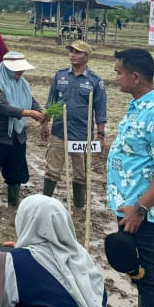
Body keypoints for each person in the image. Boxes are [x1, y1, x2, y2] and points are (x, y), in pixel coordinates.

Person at [107, 48, 154, 307]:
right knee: (137, 270)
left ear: (135, 77)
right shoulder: (138, 108)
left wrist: (140, 209)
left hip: (141, 212)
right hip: (129, 207)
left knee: (145, 272)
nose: (116, 78)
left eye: (119, 73)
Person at [41, 39, 107, 208]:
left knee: (80, 172)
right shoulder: (60, 75)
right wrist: (44, 123)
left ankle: (79, 207)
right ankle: (43, 203)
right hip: (59, 131)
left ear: (87, 56)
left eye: (77, 52)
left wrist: (100, 134)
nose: (72, 55)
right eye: (71, 51)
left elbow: (100, 110)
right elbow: (50, 103)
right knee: (52, 170)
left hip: (81, 135)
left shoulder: (95, 81)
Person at [0, 52, 46, 207]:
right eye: (17, 69)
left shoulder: (23, 84)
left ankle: (13, 204)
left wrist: (41, 114)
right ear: (6, 68)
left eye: (22, 69)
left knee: (16, 171)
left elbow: (31, 101)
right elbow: (2, 106)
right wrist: (28, 113)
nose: (20, 72)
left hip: (18, 136)